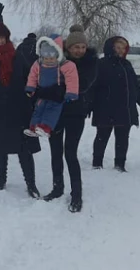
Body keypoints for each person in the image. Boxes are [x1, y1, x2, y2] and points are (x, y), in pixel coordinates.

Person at [0, 22, 41, 198]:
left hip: (20, 109)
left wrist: (33, 100)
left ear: (7, 37)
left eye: (2, 37)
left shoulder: (17, 56)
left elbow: (30, 78)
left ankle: (31, 184)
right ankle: (1, 180)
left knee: (24, 149)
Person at [44, 25, 98, 213]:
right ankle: (58, 188)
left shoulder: (90, 62)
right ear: (68, 47)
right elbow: (45, 78)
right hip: (56, 113)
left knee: (70, 153)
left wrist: (57, 88)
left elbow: (81, 85)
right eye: (76, 47)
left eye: (83, 47)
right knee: (55, 152)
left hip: (76, 113)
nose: (80, 50)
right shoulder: (56, 60)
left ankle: (77, 194)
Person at [91, 36, 140, 172]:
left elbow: (134, 86)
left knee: (122, 138)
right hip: (105, 107)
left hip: (125, 108)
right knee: (102, 136)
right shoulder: (101, 64)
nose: (121, 51)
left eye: (124, 48)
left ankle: (120, 164)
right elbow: (92, 87)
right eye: (118, 47)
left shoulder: (126, 64)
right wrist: (88, 105)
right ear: (110, 48)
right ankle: (97, 163)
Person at [24, 35, 79, 138]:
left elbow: (71, 78)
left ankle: (46, 127)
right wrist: (30, 88)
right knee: (38, 110)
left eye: (51, 58)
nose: (48, 60)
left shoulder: (65, 64)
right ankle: (33, 127)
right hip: (42, 93)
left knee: (52, 110)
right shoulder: (38, 64)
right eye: (45, 58)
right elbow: (32, 76)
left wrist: (71, 93)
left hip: (56, 94)